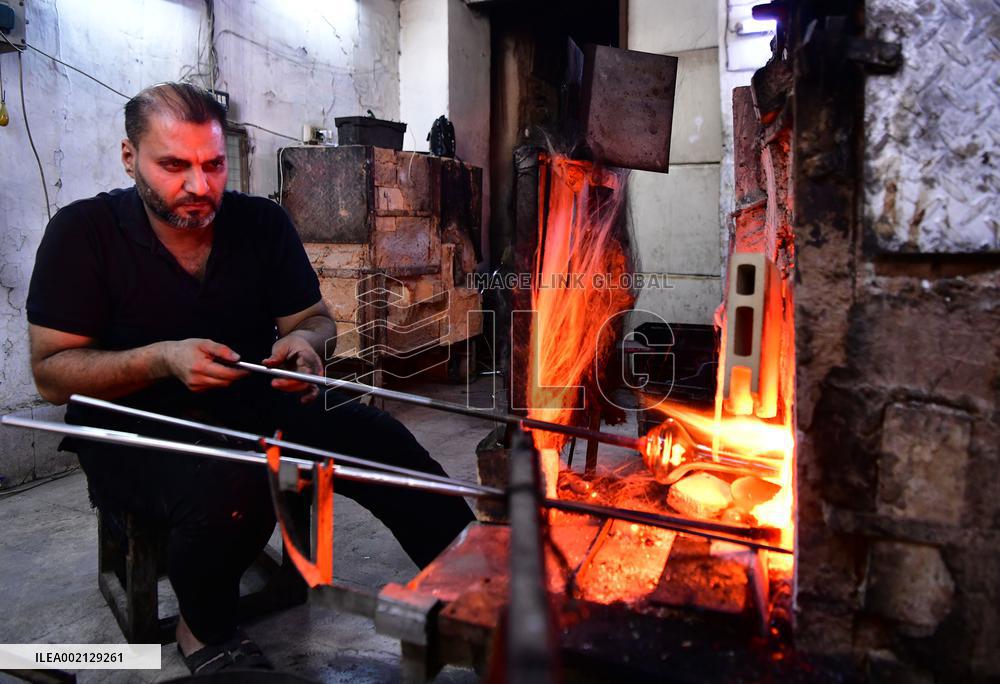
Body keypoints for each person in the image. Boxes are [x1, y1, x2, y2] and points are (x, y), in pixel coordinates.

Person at [25, 82, 475, 674]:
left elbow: (313, 320)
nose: (198, 185)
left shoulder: (259, 223)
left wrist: (307, 345)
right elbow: (53, 374)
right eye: (173, 165)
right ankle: (203, 629)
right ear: (129, 157)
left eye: (213, 165)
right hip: (134, 425)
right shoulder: (82, 233)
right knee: (236, 481)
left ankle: (477, 589)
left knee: (380, 440)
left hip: (248, 399)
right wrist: (161, 359)